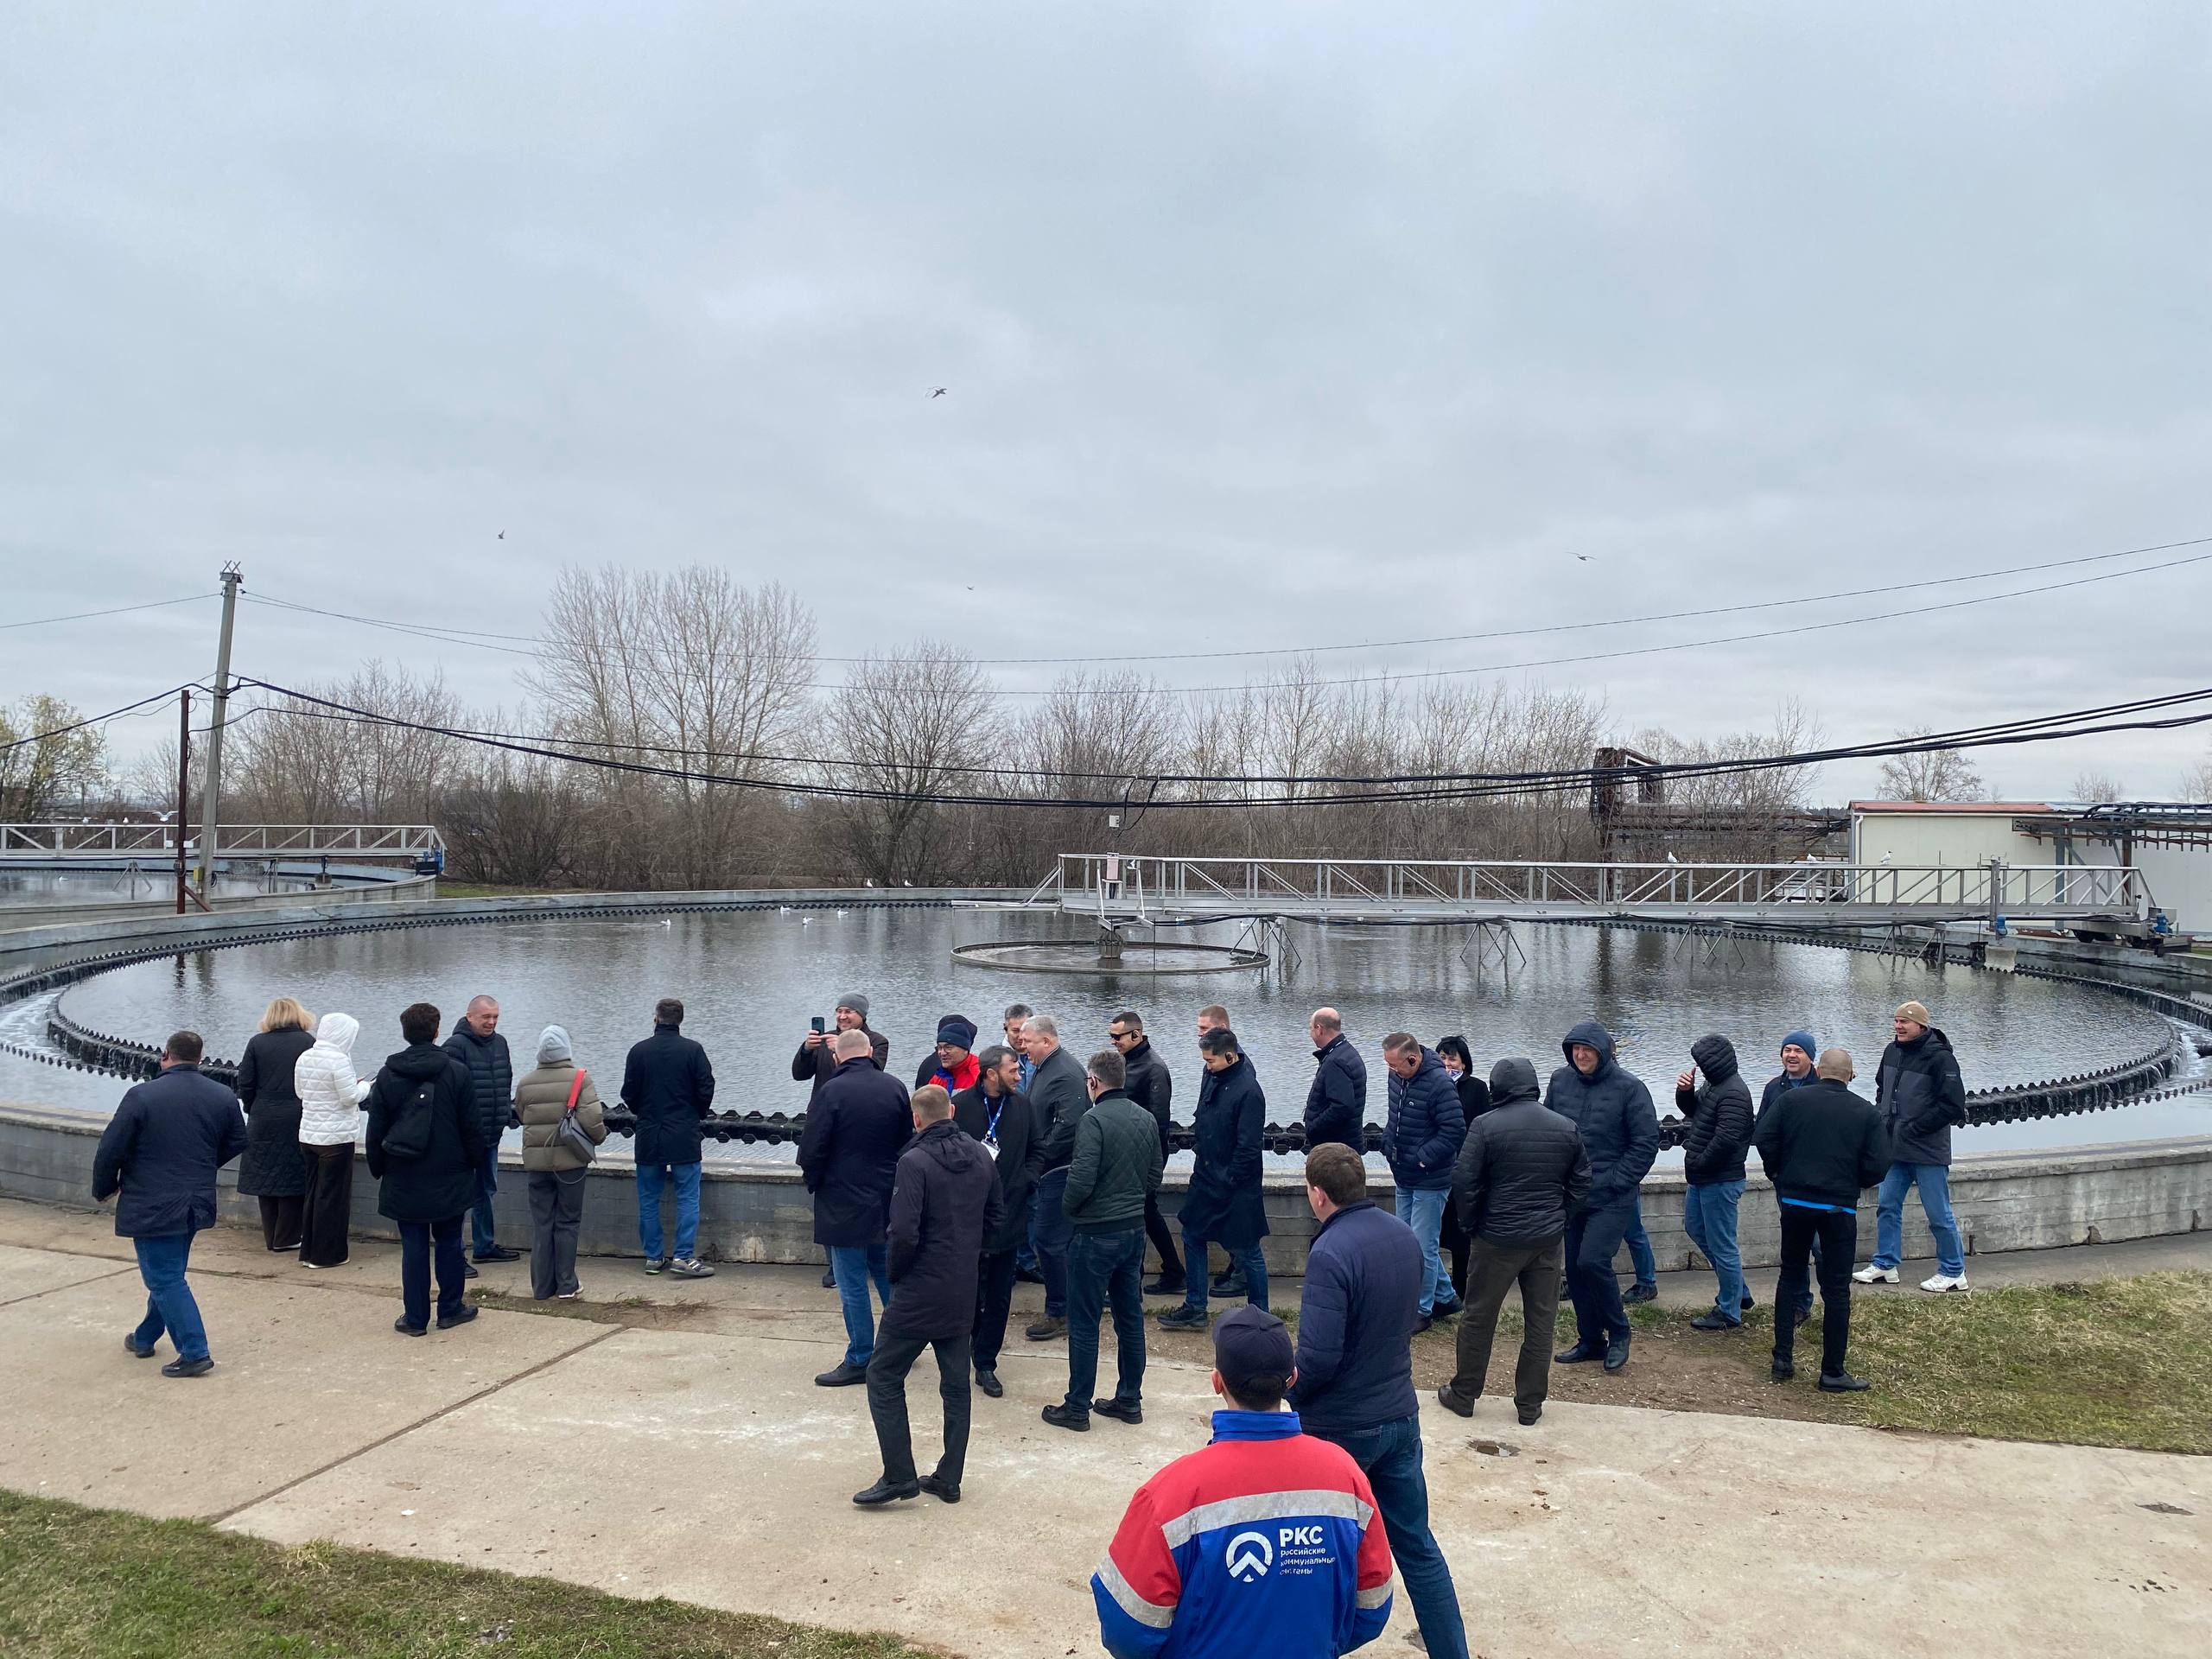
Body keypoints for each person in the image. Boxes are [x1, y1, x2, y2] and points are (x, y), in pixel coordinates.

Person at [1093, 1305, 1395, 1659]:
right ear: (1293, 1379)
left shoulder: (1168, 1495)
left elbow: (1127, 1630)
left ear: (1217, 1382)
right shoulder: (1346, 1477)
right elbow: (1372, 1607)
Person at [1289, 1144, 1466, 1659]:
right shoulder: (1403, 1235)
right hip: (1399, 1416)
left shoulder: (1329, 1252)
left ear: (1317, 1194)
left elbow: (1319, 1358)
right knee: (1418, 1547)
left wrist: (1284, 1394)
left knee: (1318, 1555)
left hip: (1341, 1428)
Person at [855, 1084, 1001, 1506]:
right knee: (956, 1386)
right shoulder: (981, 1156)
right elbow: (997, 1218)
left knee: (883, 1376)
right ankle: (949, 1477)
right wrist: (970, 1259)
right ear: (951, 1110)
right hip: (961, 1287)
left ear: (916, 1119)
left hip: (919, 1291)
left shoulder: (913, 1162)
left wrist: (896, 1275)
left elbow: (903, 1232)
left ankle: (899, 1474)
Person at [1436, 1058, 1587, 1427]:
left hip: (1496, 1238)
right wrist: (1560, 1217)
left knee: (1479, 1317)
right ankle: (1530, 1405)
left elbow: (1464, 1180)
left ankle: (1464, 1394)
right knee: (1541, 1323)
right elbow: (1582, 1181)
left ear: (1497, 1088)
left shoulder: (1485, 1125)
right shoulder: (1565, 1126)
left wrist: (1472, 1224)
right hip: (1546, 1240)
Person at [91, 1030, 247, 1378]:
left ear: (165, 1055)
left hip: (152, 1202)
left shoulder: (142, 1095)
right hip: (195, 1202)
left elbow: (110, 1148)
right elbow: (238, 1140)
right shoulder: (222, 1095)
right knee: (169, 1274)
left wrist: (105, 1188)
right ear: (200, 1059)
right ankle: (145, 1337)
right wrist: (203, 1166)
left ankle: (194, 1352)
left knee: (164, 1278)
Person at [1755, 1048, 1891, 1390]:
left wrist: (1779, 1173)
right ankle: (1832, 1371)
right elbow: (1879, 1165)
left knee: (1790, 1276)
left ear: (1818, 1070)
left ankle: (1782, 1360)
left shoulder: (1791, 1101)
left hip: (1795, 1201)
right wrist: (1854, 1182)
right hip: (1839, 1208)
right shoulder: (1865, 1112)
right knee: (1836, 1288)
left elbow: (1764, 1138)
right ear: (1850, 1076)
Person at [1044, 1048, 1164, 1433]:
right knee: (1130, 1318)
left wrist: (1069, 1210)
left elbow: (1080, 1180)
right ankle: (1129, 1400)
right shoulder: (1145, 1118)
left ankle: (1077, 1407)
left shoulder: (1092, 1120)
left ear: (1093, 1082)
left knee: (1084, 1322)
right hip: (1133, 1231)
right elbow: (1155, 1174)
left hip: (1095, 1234)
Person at [799, 1027, 912, 1386]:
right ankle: (901, 1348)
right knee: (886, 1274)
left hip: (841, 1200)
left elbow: (812, 1148)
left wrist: (815, 1183)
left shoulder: (831, 1091)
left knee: (851, 1283)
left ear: (837, 1057)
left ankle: (861, 1357)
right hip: (885, 1197)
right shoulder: (895, 1087)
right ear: (869, 1053)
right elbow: (907, 1142)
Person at [1545, 1020, 1658, 1374]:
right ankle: (1591, 1339)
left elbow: (1645, 1143)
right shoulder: (1560, 1081)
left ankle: (1619, 1331)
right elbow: (1549, 1129)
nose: (1581, 1055)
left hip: (1611, 1194)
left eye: (1588, 1050)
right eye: (1576, 1049)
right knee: (1576, 1270)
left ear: (1603, 1053)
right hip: (1572, 1193)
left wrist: (1616, 1181)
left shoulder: (1630, 1088)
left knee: (1593, 1261)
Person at [366, 1002, 486, 1338]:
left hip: (403, 1173)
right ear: (436, 1032)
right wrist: (474, 1164)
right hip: (450, 1173)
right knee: (449, 1243)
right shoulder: (457, 1073)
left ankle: (415, 1317)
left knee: (413, 1247)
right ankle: (450, 1309)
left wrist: (379, 1168)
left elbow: (376, 1128)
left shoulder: (388, 1075)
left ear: (405, 1033)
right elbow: (471, 1128)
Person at [1157, 1027, 1268, 1330]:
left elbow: (1248, 1146)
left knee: (1248, 1250)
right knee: (1192, 1236)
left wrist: (1230, 1179)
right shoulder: (1213, 1077)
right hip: (1206, 1177)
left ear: (1230, 1056)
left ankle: (1261, 1316)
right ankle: (1195, 1306)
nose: (1207, 1066)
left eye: (1211, 1061)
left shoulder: (1249, 1091)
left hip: (1235, 1186)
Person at [1856, 1001, 1971, 1294]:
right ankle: (1885, 1263)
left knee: (1938, 1213)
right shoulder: (1891, 1051)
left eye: (1904, 1022)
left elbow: (1953, 1106)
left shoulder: (1941, 1059)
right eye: (1896, 1021)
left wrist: (1915, 1128)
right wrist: (1884, 1119)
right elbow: (1882, 1087)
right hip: (1895, 1149)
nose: (1898, 1026)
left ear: (1921, 1025)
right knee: (1887, 1206)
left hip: (1928, 1151)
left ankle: (1953, 1271)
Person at [952, 1043, 1038, 1397]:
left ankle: (986, 1361)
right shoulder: (961, 1107)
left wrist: (1027, 1179)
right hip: (969, 1216)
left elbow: (1037, 1149)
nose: (1019, 1075)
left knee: (1001, 1294)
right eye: (1012, 1070)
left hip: (1010, 1213)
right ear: (991, 1074)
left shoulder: (1022, 1105)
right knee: (968, 1290)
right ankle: (966, 1345)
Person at [621, 998, 717, 1279]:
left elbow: (628, 1092)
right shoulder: (693, 1050)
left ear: (656, 1018)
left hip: (649, 1133)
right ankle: (683, 1256)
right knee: (687, 1197)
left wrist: (644, 1112)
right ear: (680, 1020)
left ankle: (653, 1257)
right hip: (684, 1134)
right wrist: (694, 1113)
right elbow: (706, 1087)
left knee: (648, 1199)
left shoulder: (639, 1051)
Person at [1379, 1033, 1466, 1329]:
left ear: (1413, 1059)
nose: (1392, 1071)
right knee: (1407, 1242)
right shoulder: (1397, 1077)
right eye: (1388, 1065)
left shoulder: (1440, 1084)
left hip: (1431, 1178)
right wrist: (1389, 1145)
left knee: (1422, 1246)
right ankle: (1446, 1297)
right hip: (1403, 1173)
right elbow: (1395, 1116)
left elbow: (1454, 1130)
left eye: (1395, 1065)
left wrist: (1423, 1157)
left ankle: (1422, 1310)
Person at [514, 1025, 607, 1300]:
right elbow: (592, 1120)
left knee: (542, 1223)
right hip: (571, 1164)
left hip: (536, 1165)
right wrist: (599, 1138)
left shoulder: (526, 1082)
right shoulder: (580, 1079)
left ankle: (542, 1287)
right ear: (566, 1049)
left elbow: (522, 1115)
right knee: (567, 1221)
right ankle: (566, 1284)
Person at [1675, 1034, 1755, 1332]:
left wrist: (1697, 1162)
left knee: (1723, 1246)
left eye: (1701, 1062)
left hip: (1720, 1180)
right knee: (1695, 1228)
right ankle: (1738, 1291)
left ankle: (1729, 1311)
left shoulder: (1734, 1092)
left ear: (1714, 1062)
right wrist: (1685, 1092)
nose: (1697, 1066)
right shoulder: (1714, 1085)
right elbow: (1695, 1112)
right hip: (1704, 1178)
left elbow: (1727, 1140)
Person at [1022, 1014, 1091, 1341]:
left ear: (1047, 1041)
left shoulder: (1063, 1072)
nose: (1023, 1047)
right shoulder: (1047, 1067)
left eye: (1028, 1042)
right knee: (1055, 1242)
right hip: (1051, 1170)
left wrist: (1040, 1155)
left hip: (1059, 1171)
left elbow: (1070, 1125)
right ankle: (1070, 1305)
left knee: (1049, 1242)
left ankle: (1059, 1310)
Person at [234, 996, 316, 1254]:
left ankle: (272, 1236)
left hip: (263, 1116)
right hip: (296, 1115)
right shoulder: (308, 1042)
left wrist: (253, 1108)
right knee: (294, 1175)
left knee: (266, 1176)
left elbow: (245, 1082)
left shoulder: (256, 1043)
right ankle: (288, 1236)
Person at [1109, 1010, 1183, 1296]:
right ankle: (1174, 1271)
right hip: (1133, 1152)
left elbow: (1158, 1122)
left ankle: (1133, 1283)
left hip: (1143, 1156)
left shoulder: (1153, 1069)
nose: (1113, 1041)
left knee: (1138, 1215)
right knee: (1147, 1213)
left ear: (1136, 1035)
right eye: (1111, 1036)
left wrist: (1147, 1161)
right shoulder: (1128, 1061)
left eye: (1117, 1036)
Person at [1754, 1030, 1822, 1325]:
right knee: (1796, 1244)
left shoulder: (1824, 1086)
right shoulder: (1773, 1088)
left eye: (1798, 1051)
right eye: (1787, 1050)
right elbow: (1762, 1132)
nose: (1791, 1056)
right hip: (1786, 1181)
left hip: (1820, 1181)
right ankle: (1799, 1303)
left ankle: (1834, 1298)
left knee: (1821, 1245)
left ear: (1811, 1057)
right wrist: (1773, 1169)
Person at [294, 1010, 371, 1268]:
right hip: (336, 1139)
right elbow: (350, 1097)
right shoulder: (339, 1060)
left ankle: (308, 1251)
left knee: (313, 1193)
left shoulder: (305, 1056)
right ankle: (328, 1255)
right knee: (333, 1198)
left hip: (309, 1135)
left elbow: (300, 1092)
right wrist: (365, 1086)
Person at [443, 994, 515, 1268]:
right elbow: (449, 1092)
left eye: (495, 1017)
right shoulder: (455, 1046)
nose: (492, 1022)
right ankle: (456, 1255)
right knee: (460, 1196)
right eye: (486, 1017)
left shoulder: (500, 1043)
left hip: (491, 1134)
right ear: (469, 1016)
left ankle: (484, 1246)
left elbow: (506, 1080)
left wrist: (503, 1116)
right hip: (463, 1138)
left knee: (486, 1190)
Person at [1433, 1036, 1491, 1298]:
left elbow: (1482, 1127)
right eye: (1442, 1058)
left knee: (1460, 1236)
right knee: (1433, 1234)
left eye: (1452, 1058)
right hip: (1436, 1170)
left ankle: (1461, 1288)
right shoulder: (1430, 1085)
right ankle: (1437, 1288)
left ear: (1464, 1063)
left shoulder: (1477, 1088)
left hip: (1464, 1171)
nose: (1447, 1063)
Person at [1003, 1002, 1041, 1282]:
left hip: (1032, 1142)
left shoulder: (1037, 1057)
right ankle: (1010, 1262)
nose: (1019, 1036)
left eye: (1023, 1031)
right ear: (1005, 1028)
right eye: (1014, 1030)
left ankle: (1026, 1262)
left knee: (1033, 1207)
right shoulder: (997, 1059)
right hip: (1007, 1144)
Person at [792, 994, 890, 1101]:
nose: (842, 1017)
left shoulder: (877, 1041)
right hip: (823, 1105)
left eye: (848, 1012)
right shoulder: (824, 1039)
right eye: (839, 1011)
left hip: (857, 1103)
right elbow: (800, 1075)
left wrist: (843, 1049)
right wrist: (806, 1050)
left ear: (862, 1015)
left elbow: (872, 1075)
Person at [1304, 1007, 1367, 1154]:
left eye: (1311, 1028)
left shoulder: (1335, 1061)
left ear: (1319, 1029)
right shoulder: (1347, 1052)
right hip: (1346, 1143)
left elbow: (1342, 1107)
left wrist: (1313, 1128)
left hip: (1335, 1150)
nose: (1310, 1034)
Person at [915, 1015, 981, 1095]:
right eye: (940, 1048)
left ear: (965, 1049)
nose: (942, 1053)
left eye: (948, 1047)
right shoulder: (938, 1077)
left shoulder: (979, 1074)